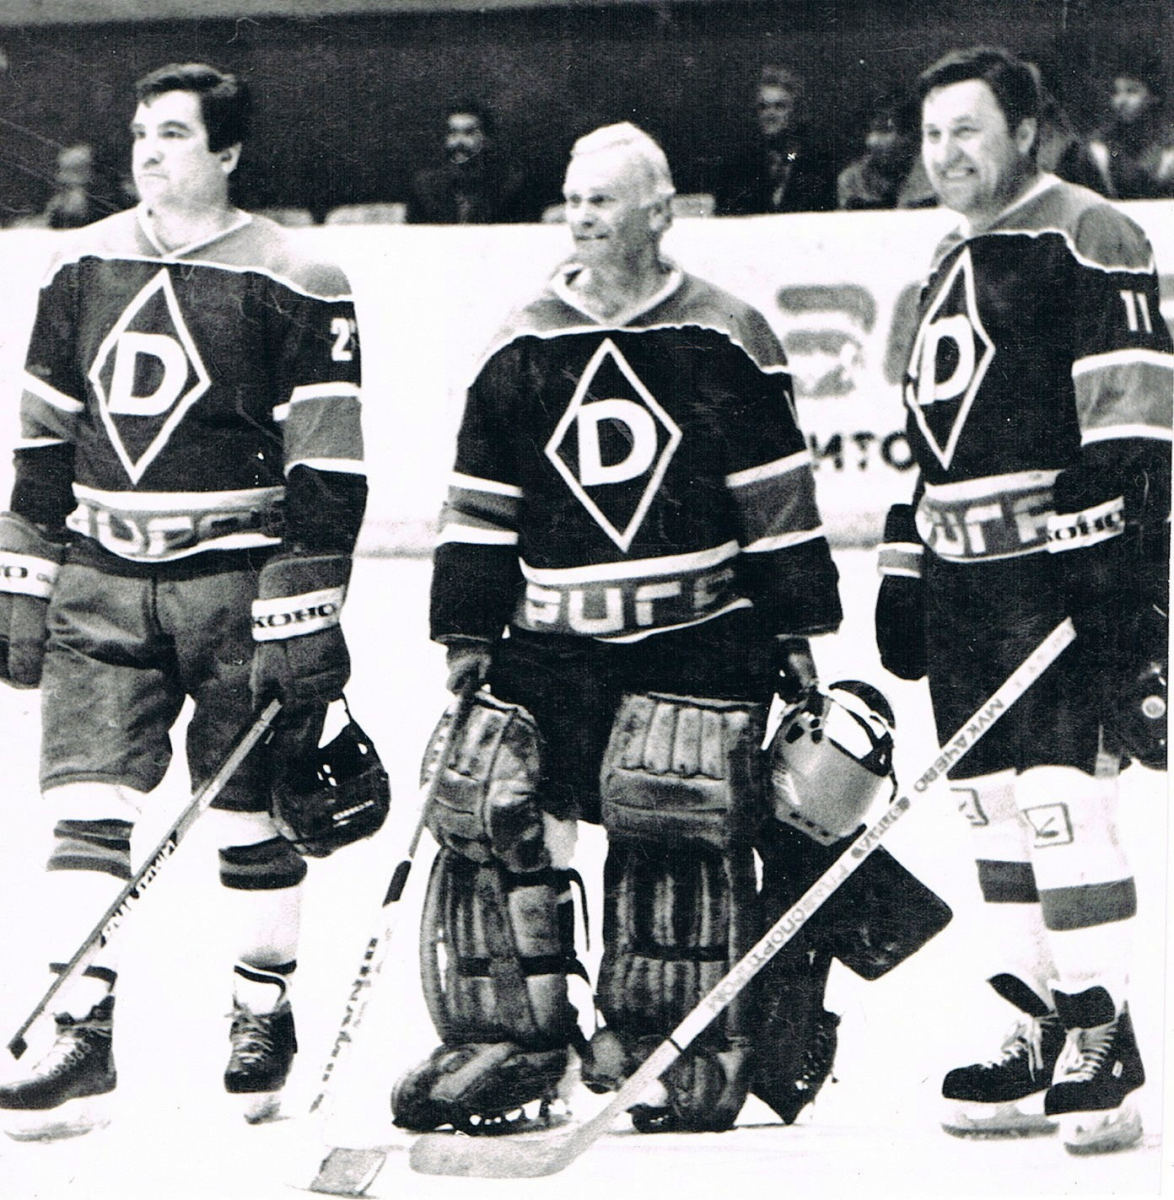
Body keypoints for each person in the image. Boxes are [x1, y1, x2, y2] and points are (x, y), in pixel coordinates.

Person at [392, 122, 849, 1136]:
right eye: (573, 197)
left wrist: (794, 624)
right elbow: (480, 505)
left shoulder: (725, 332)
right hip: (549, 637)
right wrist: (465, 630)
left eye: (603, 198)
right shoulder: (521, 341)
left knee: (672, 822)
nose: (582, 216)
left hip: (700, 630)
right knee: (490, 813)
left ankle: (666, 1042)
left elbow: (774, 497)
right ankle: (516, 1042)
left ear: (659, 210)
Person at [0, 62, 367, 1137]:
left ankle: (263, 1012)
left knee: (247, 810)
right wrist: (22, 572)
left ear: (228, 152)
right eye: (139, 132)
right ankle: (82, 1032)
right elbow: (41, 437)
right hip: (101, 575)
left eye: (172, 133)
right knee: (83, 804)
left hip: (234, 583)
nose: (147, 151)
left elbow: (327, 460)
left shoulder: (299, 274)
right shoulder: (80, 264)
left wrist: (304, 603)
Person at [876, 46, 1171, 1156]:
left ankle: (1103, 1035)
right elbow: (929, 441)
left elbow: (1134, 418)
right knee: (989, 812)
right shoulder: (943, 258)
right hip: (965, 586)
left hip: (1052, 577)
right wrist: (906, 563)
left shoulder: (1089, 231)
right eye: (932, 133)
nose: (944, 153)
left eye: (968, 129)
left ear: (1026, 132)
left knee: (1061, 801)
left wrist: (1117, 578)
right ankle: (1033, 1025)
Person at [714, 65, 837, 215]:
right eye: (763, 107)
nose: (770, 114)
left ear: (795, 111)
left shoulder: (817, 162)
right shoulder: (740, 165)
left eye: (780, 106)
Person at [406, 100, 539, 224]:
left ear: (487, 139)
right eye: (452, 133)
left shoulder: (509, 185)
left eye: (469, 133)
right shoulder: (425, 187)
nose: (459, 142)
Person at [1086, 63, 1174, 199]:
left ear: (1153, 97)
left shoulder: (1169, 141)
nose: (1121, 101)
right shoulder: (1101, 145)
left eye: (1132, 91)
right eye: (1116, 92)